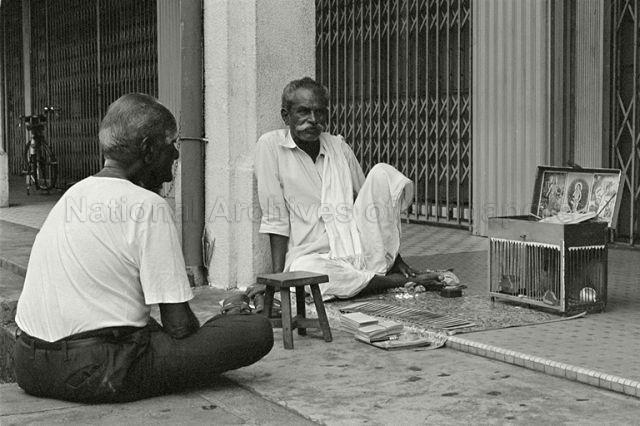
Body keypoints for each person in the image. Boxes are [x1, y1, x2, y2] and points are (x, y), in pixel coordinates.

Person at [14, 93, 273, 403]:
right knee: (255, 330)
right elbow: (178, 327)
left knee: (148, 326)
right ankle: (235, 314)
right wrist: (219, 324)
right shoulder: (148, 205)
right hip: (95, 372)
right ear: (149, 150)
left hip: (29, 365)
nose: (176, 156)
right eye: (171, 145)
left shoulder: (74, 194)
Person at [251, 77, 447, 301]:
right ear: (286, 116)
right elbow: (275, 218)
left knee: (382, 173)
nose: (313, 120)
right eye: (303, 112)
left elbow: (369, 205)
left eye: (319, 112)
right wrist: (278, 279)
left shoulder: (338, 146)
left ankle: (376, 274)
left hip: (353, 248)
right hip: (312, 255)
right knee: (309, 271)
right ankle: (393, 282)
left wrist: (396, 258)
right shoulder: (270, 147)